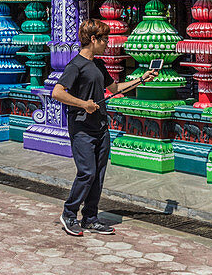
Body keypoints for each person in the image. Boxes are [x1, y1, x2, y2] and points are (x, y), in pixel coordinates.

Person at [52, 19, 157, 237]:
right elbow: (58, 92)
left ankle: (90, 217)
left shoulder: (98, 65)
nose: (107, 43)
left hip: (100, 127)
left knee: (98, 175)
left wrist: (142, 79)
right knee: (87, 172)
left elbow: (115, 88)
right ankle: (69, 213)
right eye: (104, 39)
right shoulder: (75, 66)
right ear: (93, 39)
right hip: (81, 128)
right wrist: (83, 104)